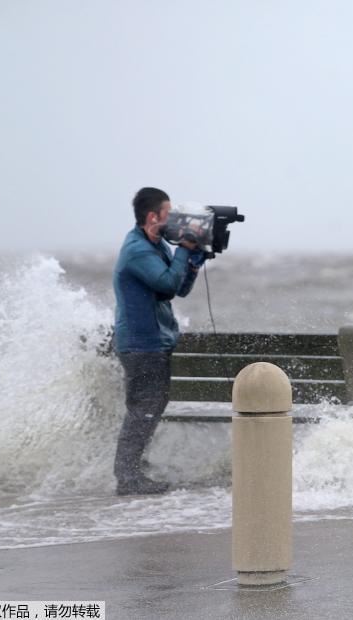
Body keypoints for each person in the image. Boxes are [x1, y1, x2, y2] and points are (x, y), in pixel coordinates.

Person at [112, 187, 206, 495]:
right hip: (141, 344)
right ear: (153, 217)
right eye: (170, 214)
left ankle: (133, 468)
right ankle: (127, 477)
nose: (176, 220)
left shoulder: (158, 245)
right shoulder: (138, 249)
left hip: (154, 341)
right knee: (144, 408)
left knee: (152, 405)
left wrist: (192, 259)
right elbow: (166, 281)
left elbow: (175, 289)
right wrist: (184, 248)